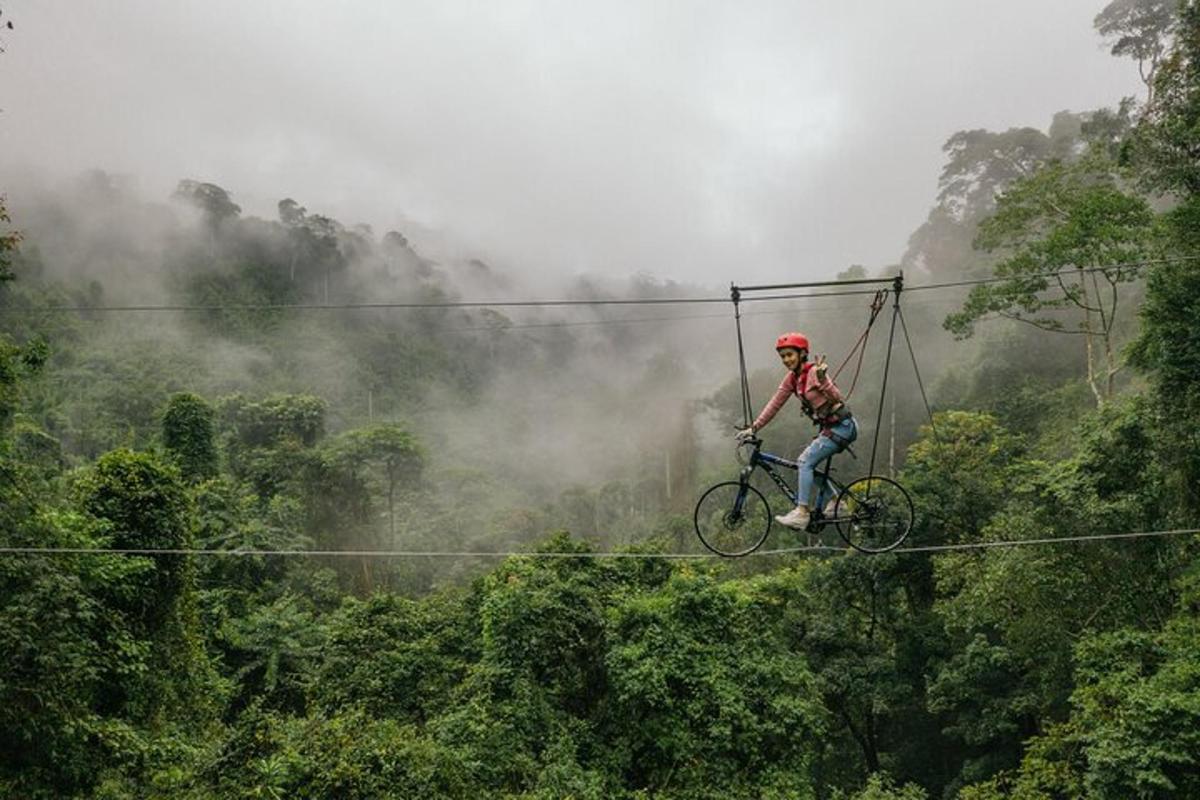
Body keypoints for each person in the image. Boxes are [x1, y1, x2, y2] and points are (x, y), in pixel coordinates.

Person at [736, 332, 858, 530]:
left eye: (790, 355)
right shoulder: (792, 379)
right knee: (808, 464)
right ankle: (837, 503)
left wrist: (823, 379)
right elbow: (774, 404)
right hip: (831, 428)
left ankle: (802, 512)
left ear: (802, 354)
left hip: (843, 427)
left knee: (804, 461)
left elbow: (838, 398)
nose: (786, 360)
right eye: (783, 356)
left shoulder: (814, 372)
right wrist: (754, 427)